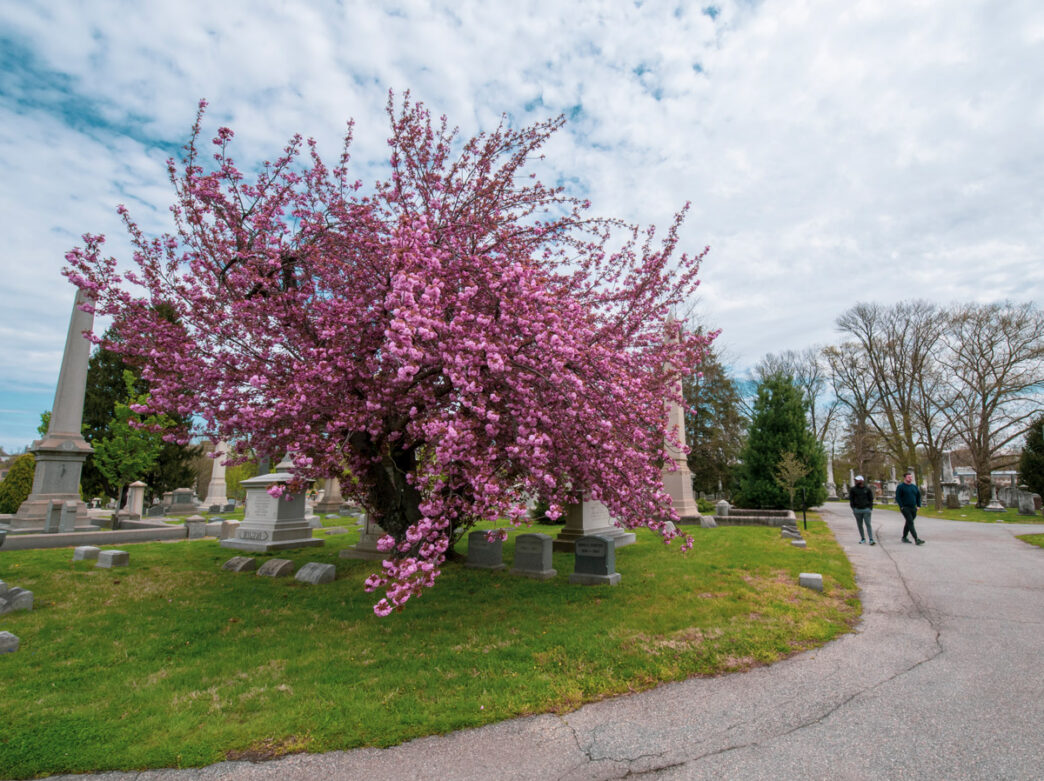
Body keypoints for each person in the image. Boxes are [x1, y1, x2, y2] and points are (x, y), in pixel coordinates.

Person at [895, 470, 925, 545]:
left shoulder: (914, 487)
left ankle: (904, 537)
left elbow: (918, 496)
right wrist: (901, 506)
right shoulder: (901, 487)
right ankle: (916, 539)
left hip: (913, 508)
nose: (910, 478)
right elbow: (898, 497)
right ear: (905, 478)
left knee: (908, 523)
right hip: (905, 508)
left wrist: (918, 505)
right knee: (910, 522)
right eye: (908, 477)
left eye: (911, 477)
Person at [848, 475, 875, 545]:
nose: (856, 481)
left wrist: (870, 508)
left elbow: (871, 499)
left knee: (868, 524)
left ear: (861, 481)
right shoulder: (853, 490)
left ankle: (871, 539)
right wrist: (853, 508)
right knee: (860, 525)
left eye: (857, 480)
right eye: (855, 480)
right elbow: (851, 499)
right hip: (857, 509)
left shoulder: (867, 489)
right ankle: (863, 538)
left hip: (866, 509)